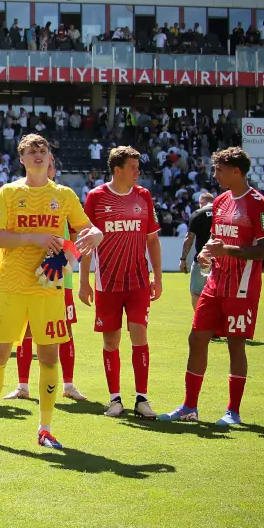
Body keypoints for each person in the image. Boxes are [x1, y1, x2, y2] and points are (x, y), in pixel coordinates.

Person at [0, 134, 102, 449]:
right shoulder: (9, 192)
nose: (38, 155)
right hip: (10, 286)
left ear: (49, 157)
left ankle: (46, 429)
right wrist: (35, 238)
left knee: (49, 358)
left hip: (47, 289)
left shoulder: (64, 195)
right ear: (21, 158)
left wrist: (97, 234)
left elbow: (87, 229)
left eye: (43, 150)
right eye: (31, 151)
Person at [161, 148, 264, 427]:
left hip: (242, 286)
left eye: (219, 170)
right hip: (214, 283)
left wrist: (228, 250)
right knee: (196, 338)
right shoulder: (221, 201)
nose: (215, 175)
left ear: (236, 171)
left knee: (236, 345)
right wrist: (206, 254)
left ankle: (232, 412)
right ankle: (189, 407)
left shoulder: (257, 203)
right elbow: (215, 240)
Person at [78, 146, 162, 419]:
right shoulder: (96, 198)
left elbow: (151, 239)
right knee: (111, 341)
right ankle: (115, 399)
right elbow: (86, 242)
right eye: (133, 167)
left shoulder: (143, 196)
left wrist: (157, 277)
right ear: (118, 170)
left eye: (138, 167)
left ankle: (142, 399)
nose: (138, 172)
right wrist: (84, 281)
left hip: (138, 281)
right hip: (107, 284)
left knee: (140, 335)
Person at [4, 155, 88, 403]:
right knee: (26, 330)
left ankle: (69, 385)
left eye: (51, 165)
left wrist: (65, 262)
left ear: (53, 169)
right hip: (25, 274)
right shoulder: (19, 194)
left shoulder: (64, 198)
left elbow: (79, 239)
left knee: (64, 331)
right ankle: (22, 386)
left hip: (59, 277)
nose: (46, 168)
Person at [180, 192, 214, 308]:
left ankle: (200, 320)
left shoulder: (198, 214)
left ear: (201, 202)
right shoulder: (222, 213)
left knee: (196, 292)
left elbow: (189, 238)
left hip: (202, 260)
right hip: (221, 259)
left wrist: (183, 259)